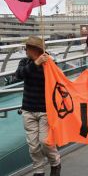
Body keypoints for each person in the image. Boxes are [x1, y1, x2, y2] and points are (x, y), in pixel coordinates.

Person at [16, 36, 61, 176]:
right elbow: (18, 75)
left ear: (35, 49)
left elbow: (59, 81)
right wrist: (35, 63)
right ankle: (39, 170)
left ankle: (55, 163)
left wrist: (45, 63)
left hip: (45, 110)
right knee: (33, 146)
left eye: (27, 48)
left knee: (45, 142)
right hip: (28, 109)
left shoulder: (49, 63)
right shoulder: (24, 62)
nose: (25, 50)